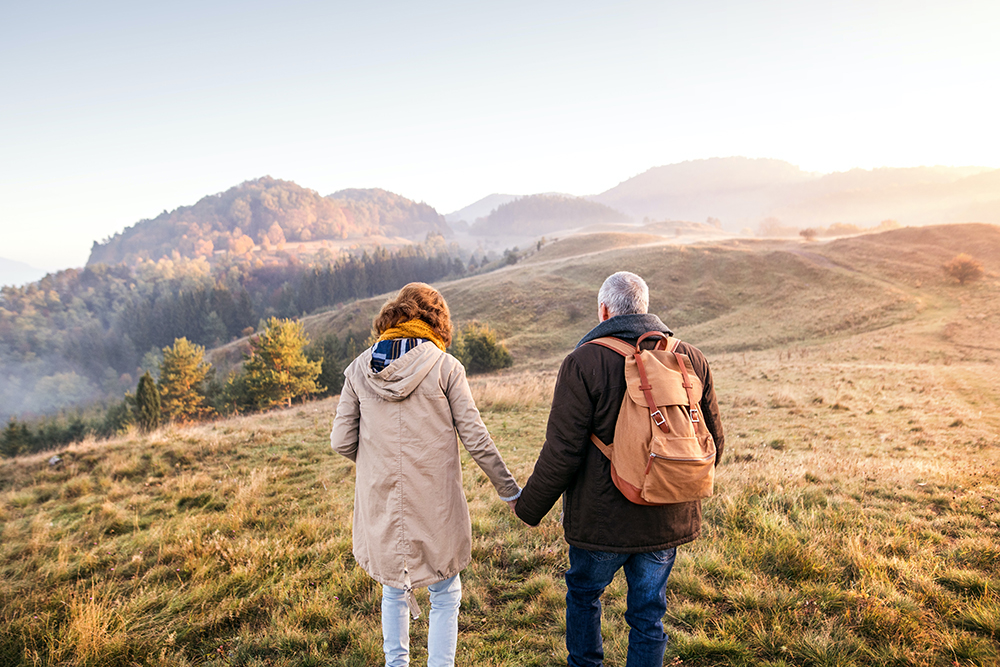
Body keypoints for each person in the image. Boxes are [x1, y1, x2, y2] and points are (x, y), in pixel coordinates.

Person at [513, 271, 724, 667]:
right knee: (649, 613)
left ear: (604, 310)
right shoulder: (690, 358)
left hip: (601, 521)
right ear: (643, 308)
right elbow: (714, 441)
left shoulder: (583, 361)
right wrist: (676, 483)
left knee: (584, 595)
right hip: (667, 514)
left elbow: (562, 452)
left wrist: (528, 508)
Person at [330, 282, 521, 667]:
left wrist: (377, 463)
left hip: (381, 497)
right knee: (445, 590)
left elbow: (340, 440)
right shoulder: (445, 367)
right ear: (437, 319)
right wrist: (510, 491)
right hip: (435, 500)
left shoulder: (358, 369)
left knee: (393, 589)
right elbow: (476, 437)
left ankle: (396, 663)